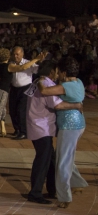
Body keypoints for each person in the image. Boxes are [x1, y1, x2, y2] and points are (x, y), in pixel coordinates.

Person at [25, 60, 83, 205]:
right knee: (43, 161)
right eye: (56, 72)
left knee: (51, 160)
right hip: (42, 127)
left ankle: (52, 189)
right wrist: (76, 105)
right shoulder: (47, 84)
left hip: (36, 124)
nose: (57, 75)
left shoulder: (37, 81)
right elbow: (58, 105)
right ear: (51, 72)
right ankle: (35, 193)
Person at [38, 58, 89, 208]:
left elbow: (44, 90)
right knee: (67, 157)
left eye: (59, 72)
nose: (57, 74)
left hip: (69, 126)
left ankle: (65, 197)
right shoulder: (78, 82)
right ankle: (77, 183)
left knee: (62, 162)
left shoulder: (65, 86)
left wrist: (40, 79)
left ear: (65, 72)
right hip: (78, 124)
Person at [9, 46, 42, 140]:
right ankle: (17, 129)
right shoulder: (11, 63)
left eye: (17, 54)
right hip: (14, 88)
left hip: (25, 88)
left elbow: (38, 70)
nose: (15, 56)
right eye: (14, 54)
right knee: (12, 110)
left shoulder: (29, 63)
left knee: (21, 110)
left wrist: (39, 60)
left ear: (22, 54)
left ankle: (24, 131)